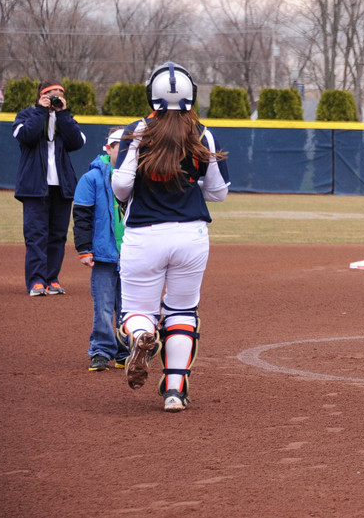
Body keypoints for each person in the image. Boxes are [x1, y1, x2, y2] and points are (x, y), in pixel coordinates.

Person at [112, 62, 230, 413]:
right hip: (191, 234)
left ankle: (141, 337)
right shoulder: (203, 134)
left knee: (137, 311)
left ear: (152, 95)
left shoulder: (137, 130)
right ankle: (175, 391)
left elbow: (120, 186)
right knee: (182, 310)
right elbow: (219, 192)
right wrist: (186, 187)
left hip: (144, 233)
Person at [13, 81, 86, 296]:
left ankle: (52, 278)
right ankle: (36, 280)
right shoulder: (26, 115)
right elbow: (26, 136)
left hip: (62, 187)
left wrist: (62, 114)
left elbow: (77, 142)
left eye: (60, 94)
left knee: (58, 234)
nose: (56, 98)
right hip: (34, 186)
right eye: (52, 94)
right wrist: (40, 110)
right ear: (40, 95)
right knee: (36, 234)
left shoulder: (65, 118)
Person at [73, 128, 130, 371]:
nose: (126, 153)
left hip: (132, 254)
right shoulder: (91, 179)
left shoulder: (138, 177)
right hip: (104, 255)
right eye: (121, 148)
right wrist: (84, 249)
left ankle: (125, 351)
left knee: (128, 308)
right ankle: (101, 351)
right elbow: (82, 216)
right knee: (104, 307)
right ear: (109, 148)